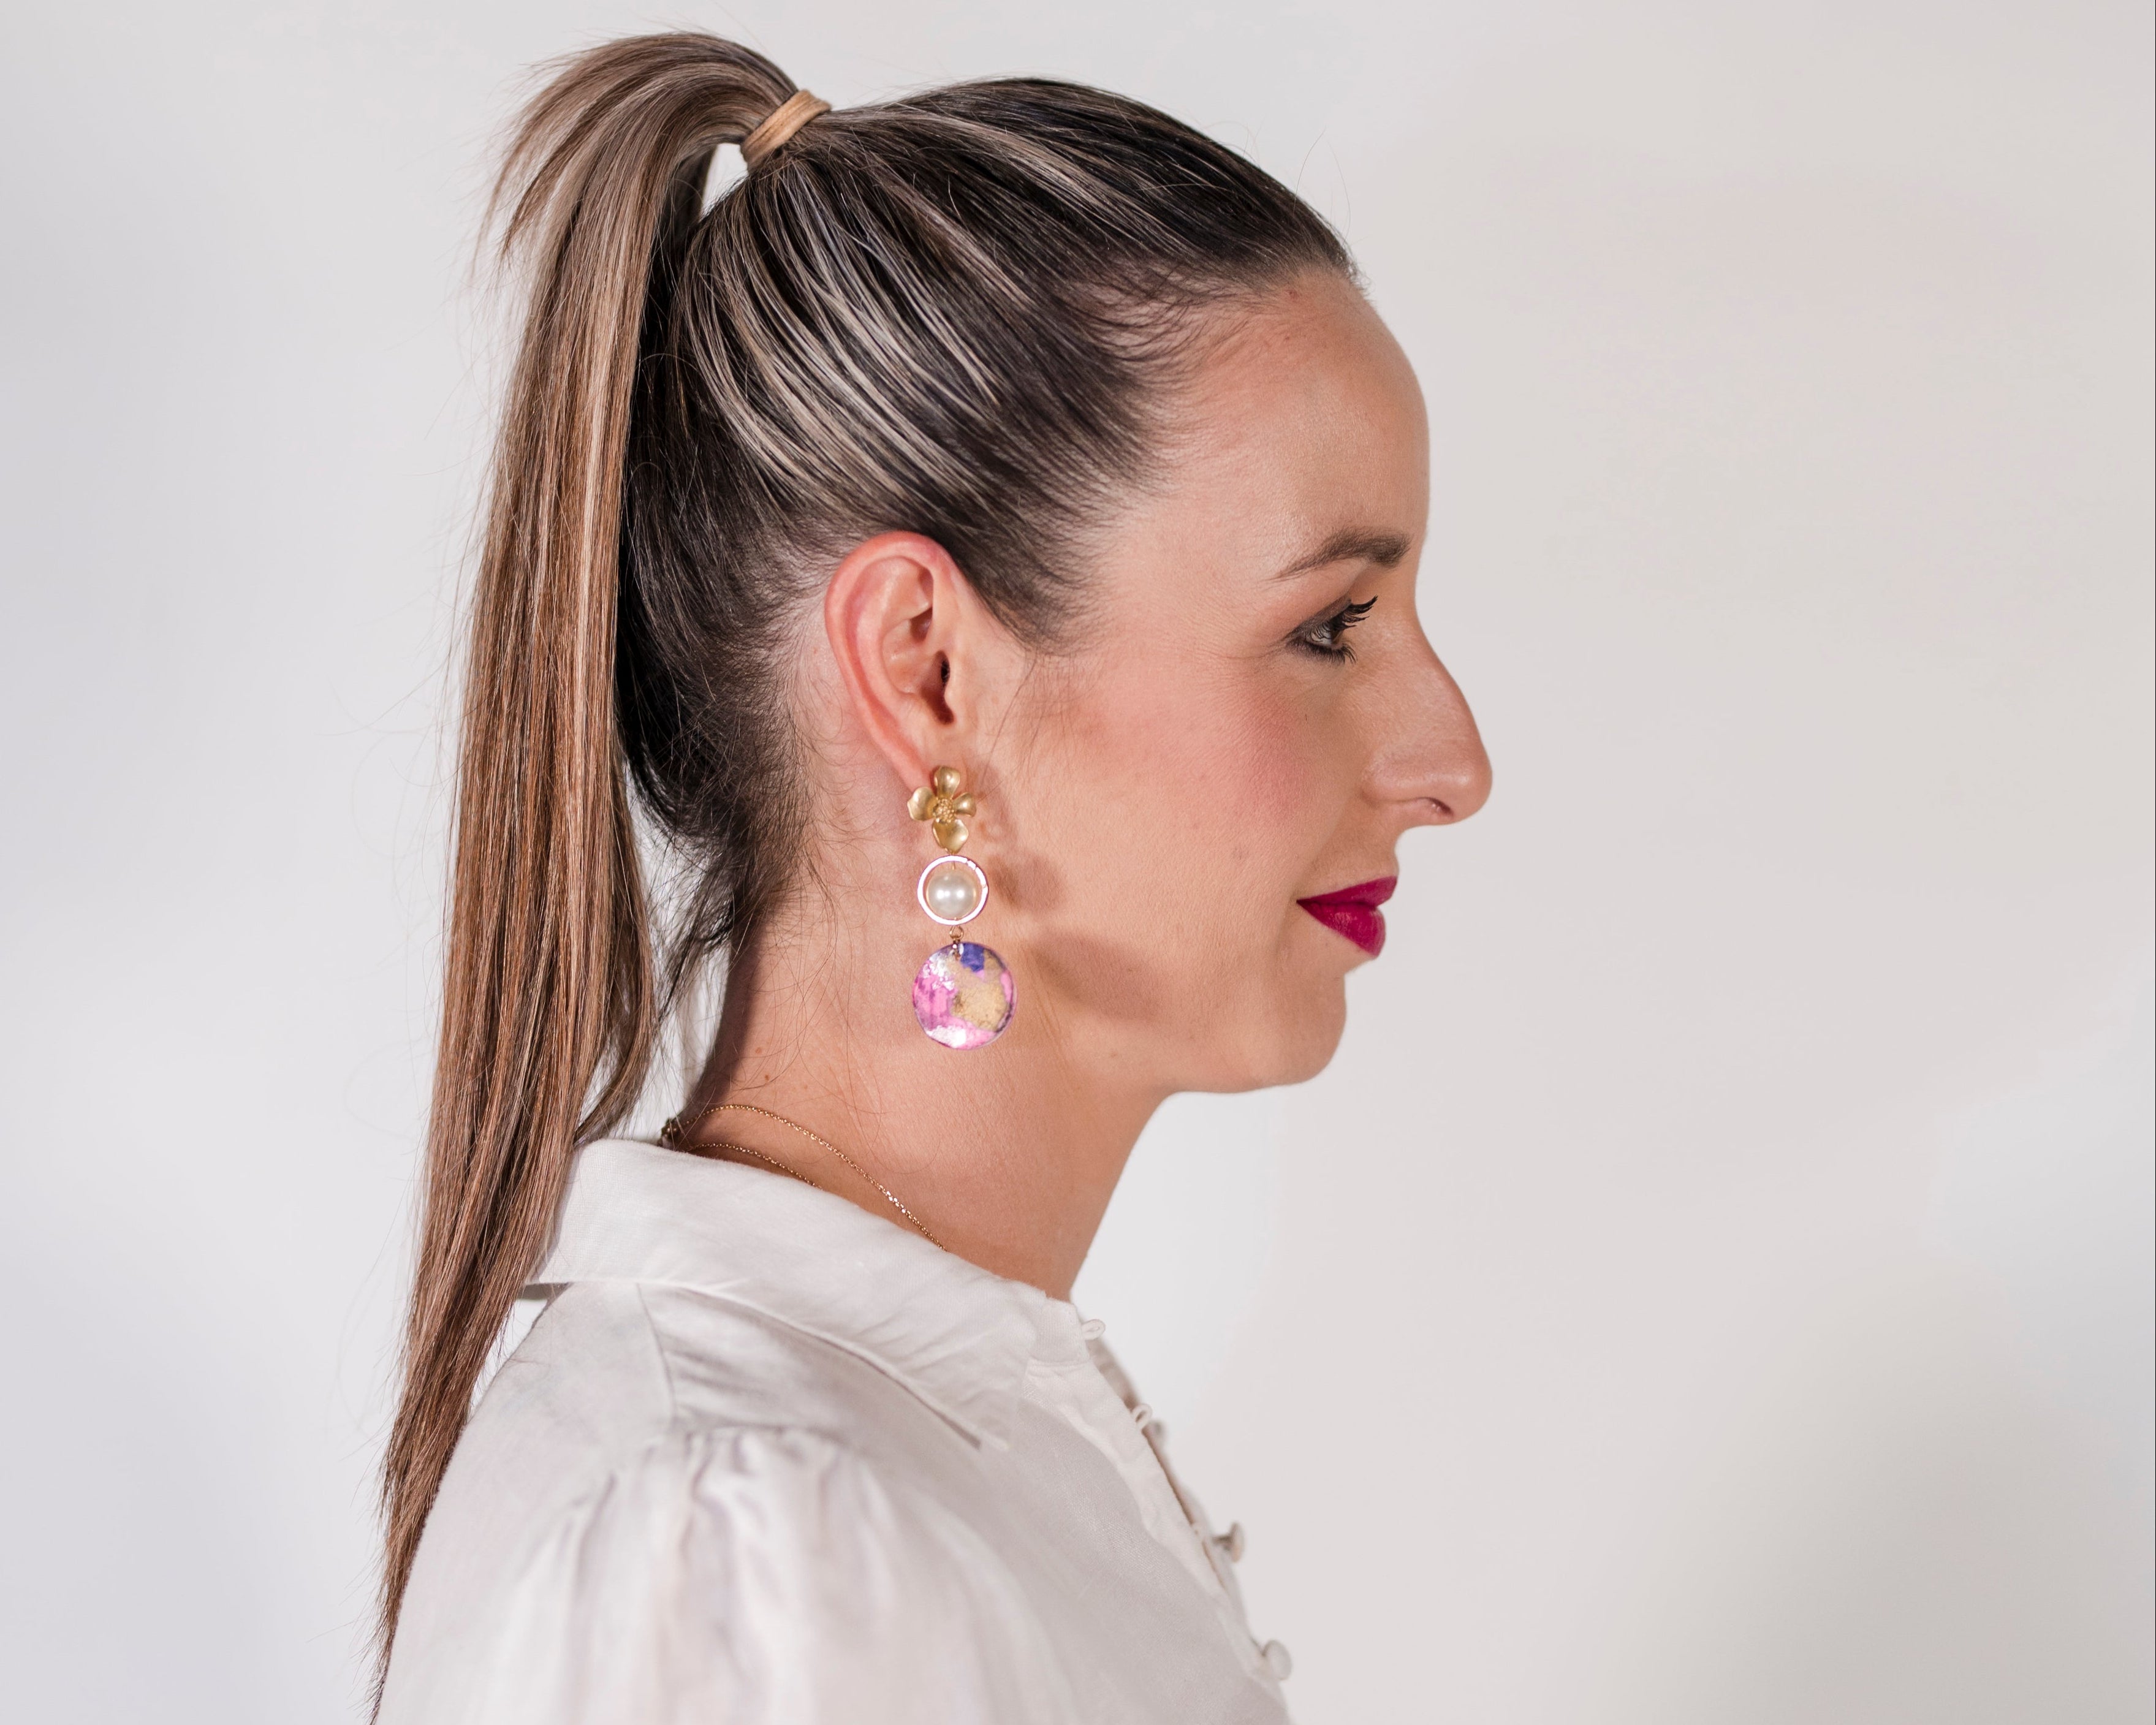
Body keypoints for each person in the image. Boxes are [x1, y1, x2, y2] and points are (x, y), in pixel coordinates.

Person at [374, 31, 1490, 1723]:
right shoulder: (753, 1551)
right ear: (927, 674)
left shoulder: (884, 1452)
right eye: (1329, 626)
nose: (1452, 762)